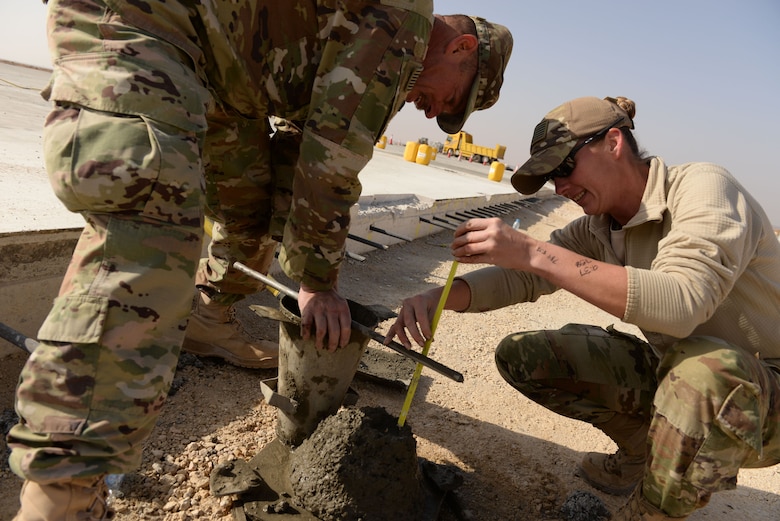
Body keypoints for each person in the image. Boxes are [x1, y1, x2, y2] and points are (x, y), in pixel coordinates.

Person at [8, 0, 512, 518]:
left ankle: (208, 317)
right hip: (148, 24)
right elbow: (332, 161)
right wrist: (318, 281)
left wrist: (298, 243)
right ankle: (63, 492)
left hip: (226, 83)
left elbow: (304, 153)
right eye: (453, 99)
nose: (434, 114)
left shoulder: (387, 39)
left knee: (254, 220)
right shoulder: (404, 24)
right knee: (150, 243)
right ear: (462, 48)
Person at [385, 96, 780, 520]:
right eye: (551, 179)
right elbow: (523, 275)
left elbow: (683, 303)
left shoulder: (704, 188)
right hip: (685, 376)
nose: (562, 188)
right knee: (528, 356)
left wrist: (531, 251)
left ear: (613, 143)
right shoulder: (600, 227)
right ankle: (641, 453)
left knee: (699, 372)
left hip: (762, 397)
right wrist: (440, 297)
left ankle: (651, 513)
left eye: (565, 168)